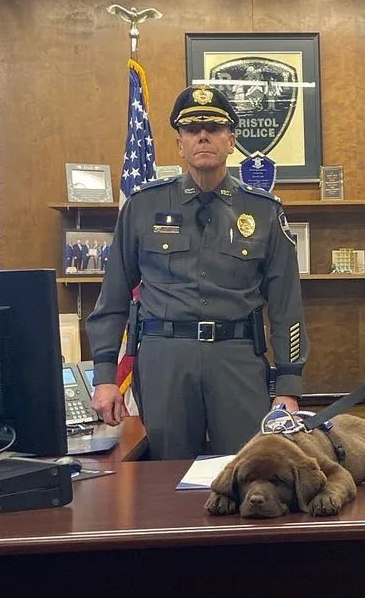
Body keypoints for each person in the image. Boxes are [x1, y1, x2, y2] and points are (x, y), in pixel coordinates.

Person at [86, 84, 309, 460]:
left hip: (236, 358)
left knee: (247, 469)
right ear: (180, 143)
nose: (203, 136)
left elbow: (288, 307)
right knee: (166, 475)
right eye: (191, 129)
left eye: (214, 128)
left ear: (231, 140)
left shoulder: (263, 210)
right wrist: (105, 375)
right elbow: (112, 297)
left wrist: (289, 384)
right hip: (165, 359)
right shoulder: (144, 206)